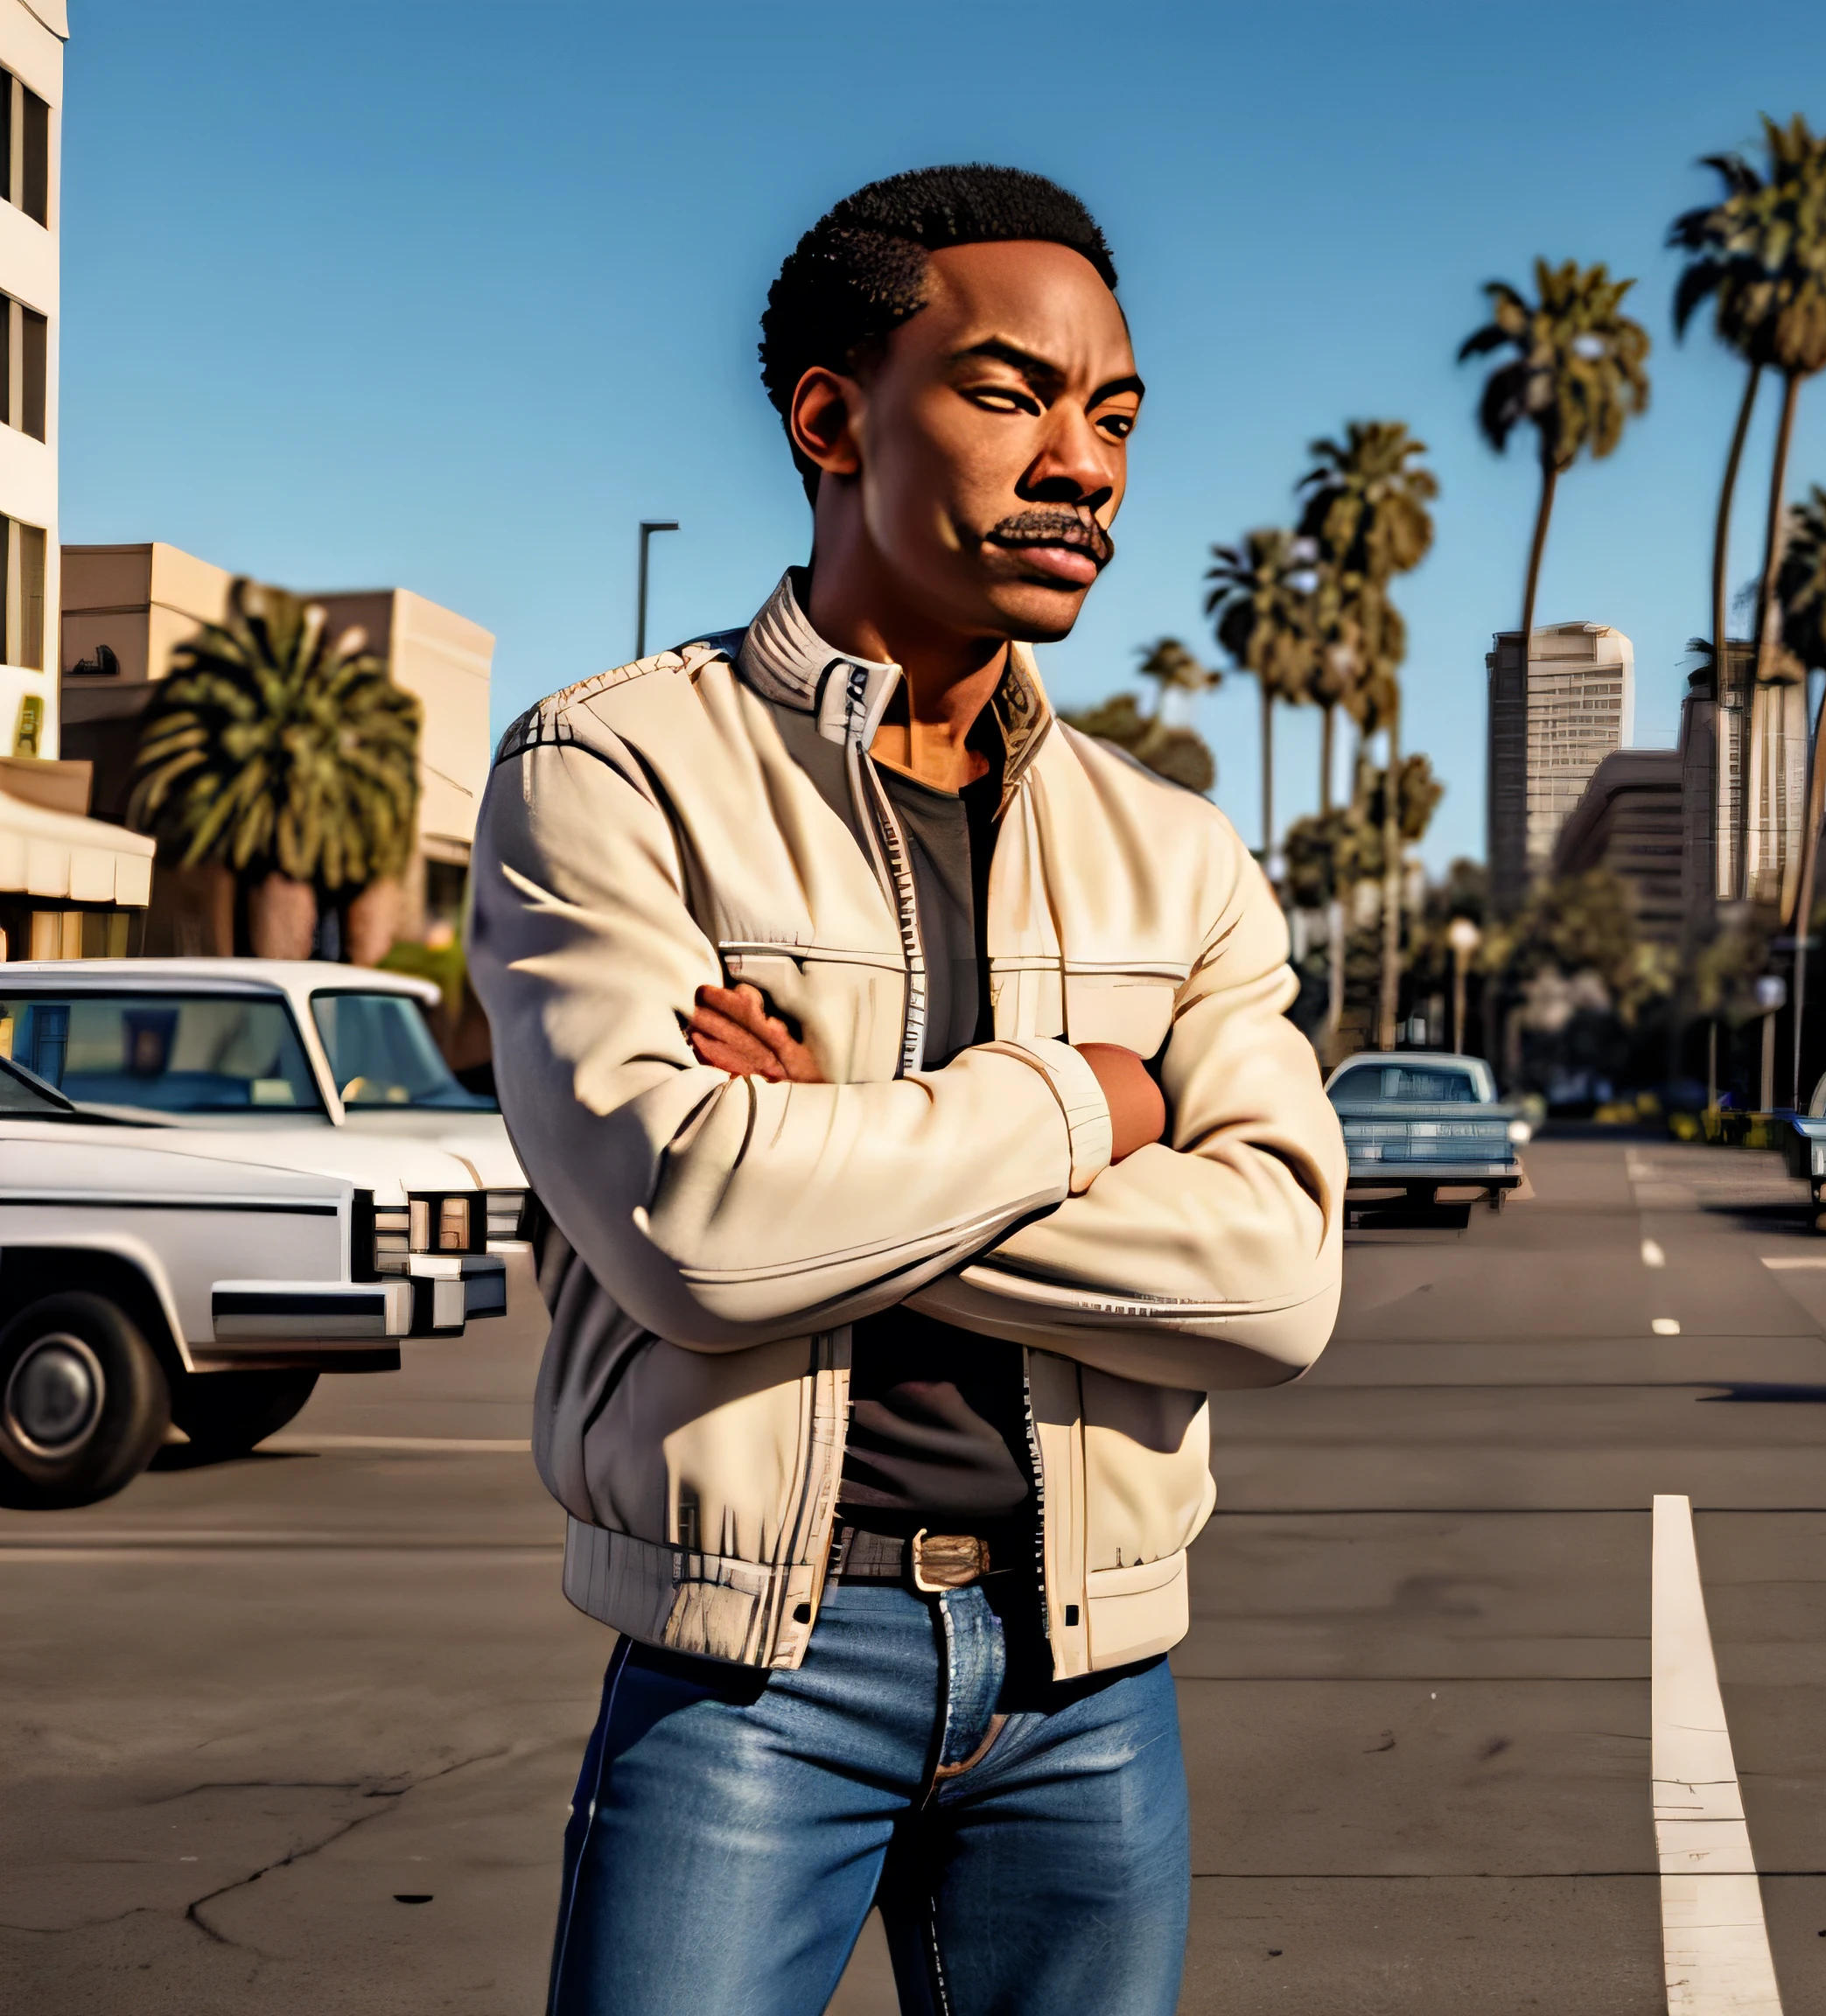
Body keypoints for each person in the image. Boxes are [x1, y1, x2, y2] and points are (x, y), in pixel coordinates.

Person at [472, 165, 1346, 2015]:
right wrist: (1088, 1105)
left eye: (1113, 417)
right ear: (828, 416)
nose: (1085, 466)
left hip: (1087, 1683)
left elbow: (1273, 1280)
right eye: (1014, 393)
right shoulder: (608, 769)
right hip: (749, 1680)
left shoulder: (1174, 855)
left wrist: (838, 1140)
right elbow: (698, 1235)